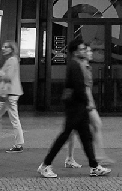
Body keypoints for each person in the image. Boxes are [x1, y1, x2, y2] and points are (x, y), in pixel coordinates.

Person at [37, 39, 110, 178]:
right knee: (65, 136)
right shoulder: (74, 65)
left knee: (86, 137)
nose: (84, 51)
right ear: (75, 51)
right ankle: (45, 165)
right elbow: (78, 87)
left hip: (78, 107)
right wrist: (86, 102)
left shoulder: (76, 64)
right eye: (82, 49)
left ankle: (94, 166)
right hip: (75, 107)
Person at [63, 42, 110, 168]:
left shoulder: (86, 66)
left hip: (82, 103)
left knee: (72, 131)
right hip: (84, 103)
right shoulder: (81, 66)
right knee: (95, 125)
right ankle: (98, 157)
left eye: (89, 51)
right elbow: (83, 87)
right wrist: (89, 104)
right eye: (87, 51)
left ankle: (70, 158)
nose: (90, 53)